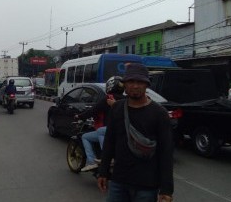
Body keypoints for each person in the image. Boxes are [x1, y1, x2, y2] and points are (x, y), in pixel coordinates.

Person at [97, 63, 174, 202]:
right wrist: (103, 171)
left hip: (147, 186)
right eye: (131, 81)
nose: (135, 85)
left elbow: (166, 152)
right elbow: (109, 142)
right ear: (125, 85)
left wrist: (166, 189)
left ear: (146, 85)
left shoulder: (159, 113)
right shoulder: (117, 109)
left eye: (140, 82)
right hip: (118, 181)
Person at [75, 76, 125, 172]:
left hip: (110, 130)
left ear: (110, 86)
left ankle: (96, 160)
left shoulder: (109, 98)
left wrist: (80, 116)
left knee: (87, 136)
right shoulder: (125, 99)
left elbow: (94, 110)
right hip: (122, 131)